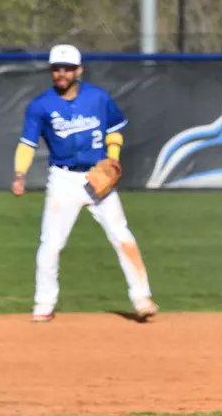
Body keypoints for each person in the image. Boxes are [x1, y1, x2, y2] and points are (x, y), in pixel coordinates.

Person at [11, 44, 158, 322]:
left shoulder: (98, 98)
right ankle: (43, 304)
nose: (61, 73)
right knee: (51, 243)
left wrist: (112, 160)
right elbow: (27, 144)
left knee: (122, 236)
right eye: (56, 68)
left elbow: (114, 132)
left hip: (97, 176)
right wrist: (20, 174)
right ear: (51, 71)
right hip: (63, 179)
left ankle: (142, 298)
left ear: (79, 70)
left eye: (67, 68)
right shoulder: (40, 106)